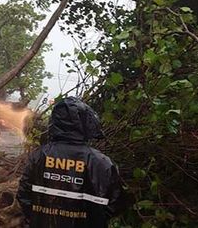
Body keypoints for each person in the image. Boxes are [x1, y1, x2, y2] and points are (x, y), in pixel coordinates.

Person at [17, 97, 123, 228]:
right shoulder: (101, 163)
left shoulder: (38, 157)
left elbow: (23, 195)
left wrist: (38, 219)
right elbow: (115, 204)